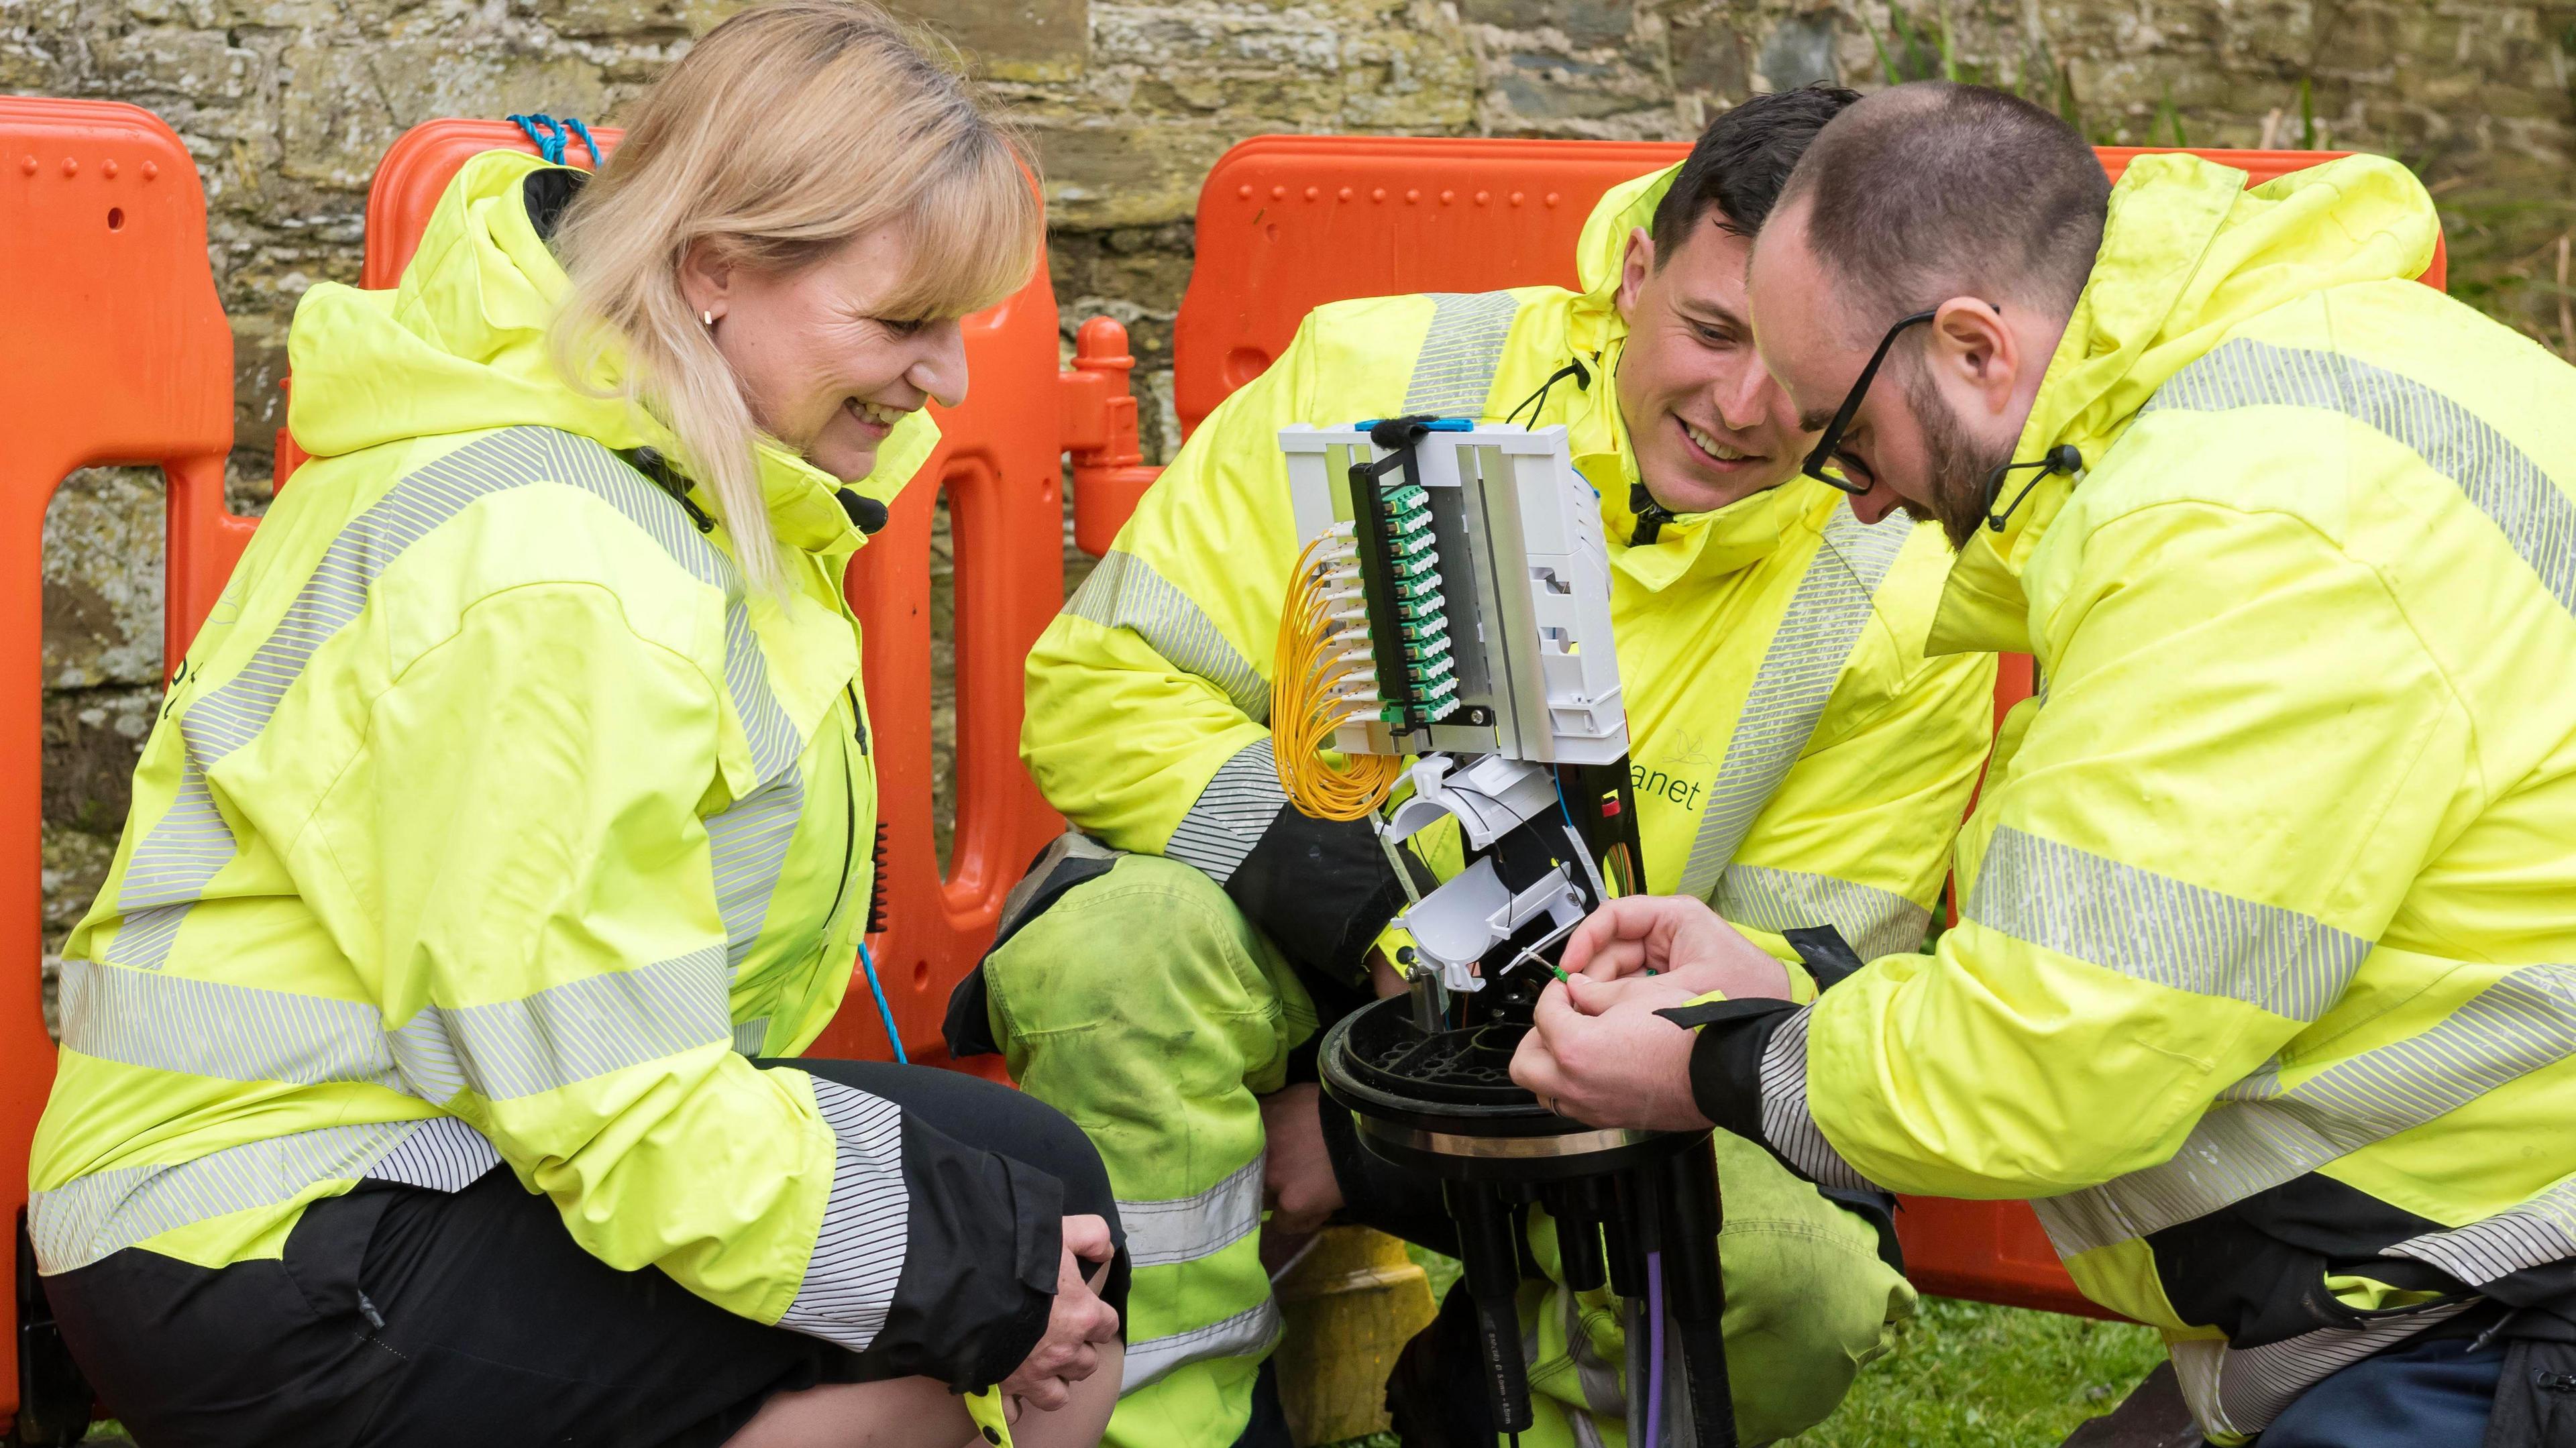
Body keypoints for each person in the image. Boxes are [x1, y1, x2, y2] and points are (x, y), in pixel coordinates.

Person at [26, 7, 1127, 1446]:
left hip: (443, 1131)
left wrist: (983, 1259)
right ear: (715, 268)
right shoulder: (555, 567)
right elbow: (610, 1103)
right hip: (264, 1242)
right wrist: (959, 1281)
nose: (950, 381)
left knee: (1045, 1193)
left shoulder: (636, 452)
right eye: (903, 323)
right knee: (907, 1394)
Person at [1511, 80, 2576, 1448]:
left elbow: (2057, 1065)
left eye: (1843, 435)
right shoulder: (2323, 361)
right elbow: (2162, 934)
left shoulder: (2234, 539)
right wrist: (1778, 990)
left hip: (2496, 1300)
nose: (1867, 497)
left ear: (1972, 349)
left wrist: (1715, 1066)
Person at [955, 87, 2000, 1447]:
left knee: (1792, 1288)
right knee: (1114, 962)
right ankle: (1160, 1427)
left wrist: (1366, 1123)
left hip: (1623, 1074)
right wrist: (1373, 922)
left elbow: (1810, 957)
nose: (1746, 409)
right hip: (1291, 977)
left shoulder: (1913, 587)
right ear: (1636, 270)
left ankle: (1483, 1412)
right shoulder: (1375, 370)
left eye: (1804, 373)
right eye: (1708, 330)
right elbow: (1104, 686)